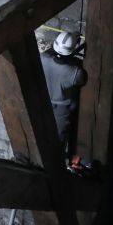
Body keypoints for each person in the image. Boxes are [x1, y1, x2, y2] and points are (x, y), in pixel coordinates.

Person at [41, 31, 87, 164]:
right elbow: (82, 79)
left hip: (44, 103)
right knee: (59, 139)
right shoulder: (75, 73)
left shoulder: (43, 58)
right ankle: (57, 164)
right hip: (61, 110)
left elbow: (51, 53)